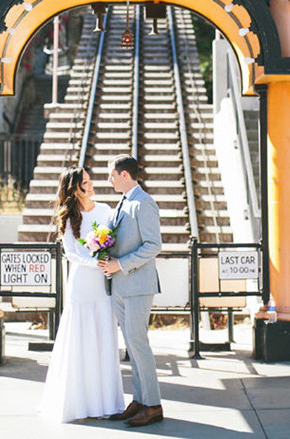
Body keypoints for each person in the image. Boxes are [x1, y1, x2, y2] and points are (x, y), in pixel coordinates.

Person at [41, 166, 124, 422]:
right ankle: (79, 402)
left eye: (89, 180)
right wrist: (94, 262)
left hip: (102, 283)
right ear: (73, 190)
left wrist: (106, 259)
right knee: (80, 337)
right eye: (84, 183)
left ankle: (106, 402)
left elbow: (115, 239)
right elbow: (71, 253)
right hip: (81, 282)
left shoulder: (105, 210)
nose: (90, 185)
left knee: (103, 335)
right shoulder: (67, 216)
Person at [99, 155, 164, 428]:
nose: (109, 180)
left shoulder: (144, 203)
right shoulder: (123, 202)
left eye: (111, 175)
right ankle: (140, 400)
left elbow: (153, 245)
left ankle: (153, 405)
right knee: (132, 345)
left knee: (138, 343)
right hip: (122, 284)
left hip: (137, 284)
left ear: (125, 174)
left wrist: (120, 264)